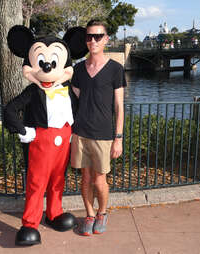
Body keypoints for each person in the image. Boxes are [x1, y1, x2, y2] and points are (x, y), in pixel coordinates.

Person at [70, 19, 127, 236]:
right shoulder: (78, 70)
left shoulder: (115, 69)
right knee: (85, 178)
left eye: (97, 36)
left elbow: (119, 106)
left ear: (106, 39)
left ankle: (102, 212)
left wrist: (118, 137)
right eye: (89, 36)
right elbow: (77, 96)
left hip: (103, 134)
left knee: (99, 179)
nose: (92, 41)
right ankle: (89, 214)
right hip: (80, 133)